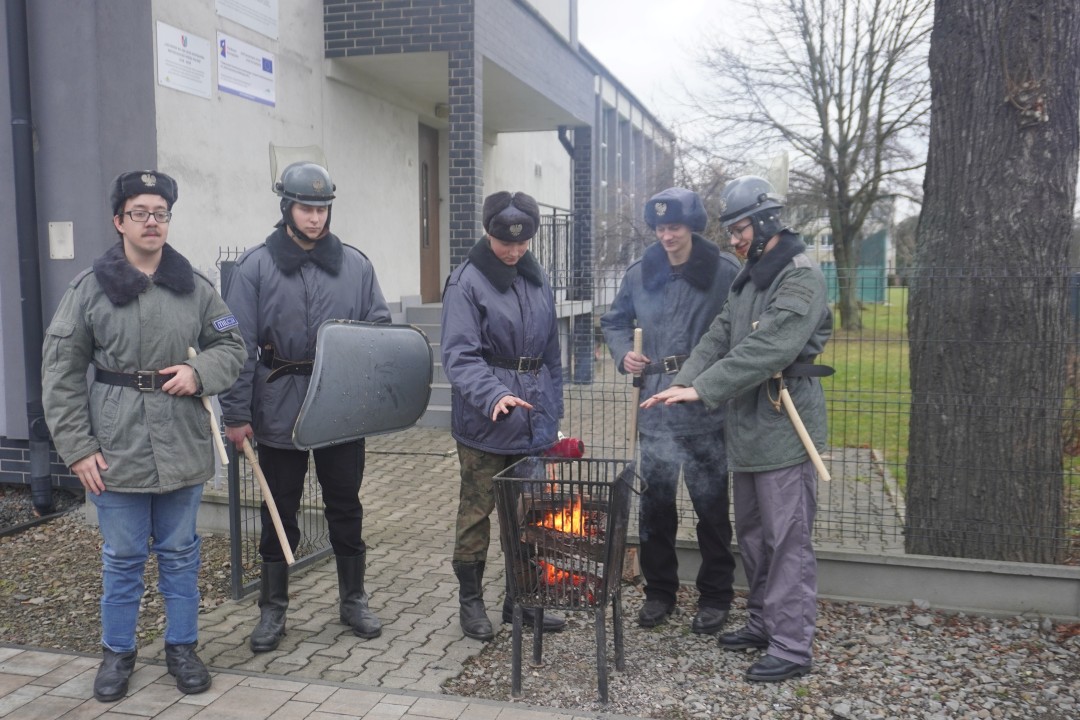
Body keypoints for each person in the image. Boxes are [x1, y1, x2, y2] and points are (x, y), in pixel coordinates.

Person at [41, 170, 246, 702]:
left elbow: (232, 346)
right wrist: (78, 449)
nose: (151, 222)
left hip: (182, 440)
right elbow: (61, 373)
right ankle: (117, 653)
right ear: (119, 221)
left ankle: (182, 648)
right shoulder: (89, 289)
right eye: (140, 213)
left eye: (161, 213)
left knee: (181, 553)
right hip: (116, 446)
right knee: (123, 556)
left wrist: (199, 373)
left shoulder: (195, 287)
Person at [641, 175, 832, 683]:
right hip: (747, 428)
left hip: (785, 428)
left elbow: (767, 349)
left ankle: (792, 646)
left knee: (787, 540)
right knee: (752, 535)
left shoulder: (800, 276)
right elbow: (719, 334)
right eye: (730, 231)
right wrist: (682, 382)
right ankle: (764, 623)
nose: (734, 240)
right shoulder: (750, 276)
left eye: (740, 229)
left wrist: (703, 389)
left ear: (766, 222)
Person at [218, 162, 391, 651]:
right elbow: (236, 344)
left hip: (339, 403)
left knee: (345, 505)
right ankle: (272, 610)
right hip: (278, 402)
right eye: (305, 208)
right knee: (279, 510)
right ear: (286, 208)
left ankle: (353, 599)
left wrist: (368, 398)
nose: (315, 218)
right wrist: (236, 414)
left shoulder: (356, 266)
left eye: (322, 208)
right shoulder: (255, 267)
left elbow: (378, 331)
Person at [600, 187, 741, 633]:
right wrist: (623, 353)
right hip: (654, 406)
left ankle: (715, 596)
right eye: (660, 228)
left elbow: (743, 328)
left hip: (704, 405)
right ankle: (659, 592)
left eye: (675, 227)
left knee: (711, 508)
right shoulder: (641, 272)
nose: (667, 236)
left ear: (692, 227)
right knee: (655, 507)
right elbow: (614, 322)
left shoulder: (724, 272)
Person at [441, 190, 567, 641]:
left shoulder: (537, 278)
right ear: (488, 233)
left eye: (522, 242)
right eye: (504, 241)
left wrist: (554, 411)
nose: (513, 250)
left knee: (531, 513)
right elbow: (459, 356)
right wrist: (495, 395)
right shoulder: (466, 282)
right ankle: (471, 603)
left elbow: (551, 353)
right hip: (486, 422)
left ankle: (522, 599)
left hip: (534, 422)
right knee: (477, 513)